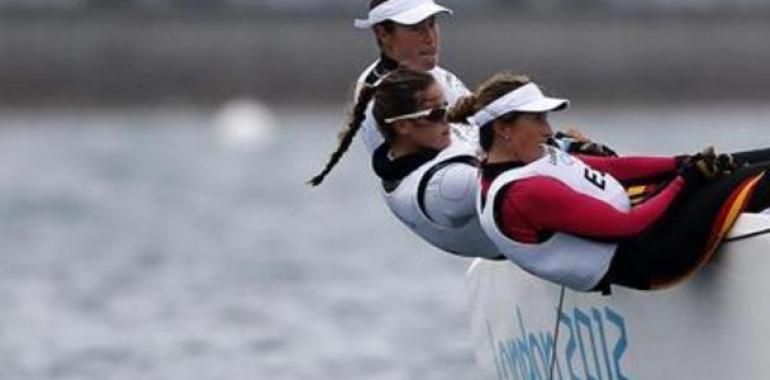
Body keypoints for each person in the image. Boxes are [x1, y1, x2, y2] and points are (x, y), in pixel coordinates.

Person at [447, 72, 770, 292]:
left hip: (649, 229)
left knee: (741, 160)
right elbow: (628, 226)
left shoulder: (528, 157)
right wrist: (686, 180)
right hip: (651, 255)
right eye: (537, 119)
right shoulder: (523, 193)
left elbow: (616, 168)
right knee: (754, 178)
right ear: (503, 129)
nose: (548, 130)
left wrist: (680, 163)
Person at [307, 0, 610, 187]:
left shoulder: (432, 75)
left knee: (578, 146)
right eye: (416, 28)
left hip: (480, 176)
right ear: (383, 34)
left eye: (432, 24)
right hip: (449, 200)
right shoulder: (388, 98)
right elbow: (410, 167)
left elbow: (479, 123)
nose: (430, 37)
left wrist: (558, 143)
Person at [368, 68, 501, 259]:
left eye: (447, 109)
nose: (447, 121)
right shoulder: (447, 185)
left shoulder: (419, 141)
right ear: (402, 126)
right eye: (436, 114)